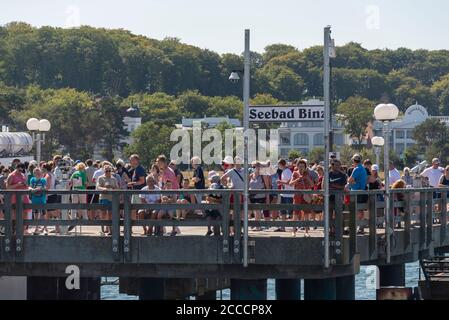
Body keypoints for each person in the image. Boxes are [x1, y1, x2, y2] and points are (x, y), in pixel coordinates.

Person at [289, 159, 314, 237]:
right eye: (299, 166)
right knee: (295, 213)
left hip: (306, 195)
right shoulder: (295, 173)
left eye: (303, 166)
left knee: (306, 214)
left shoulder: (308, 174)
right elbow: (290, 184)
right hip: (297, 196)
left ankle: (306, 231)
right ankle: (293, 231)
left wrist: (307, 178)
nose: (301, 168)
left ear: (305, 167)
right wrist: (298, 179)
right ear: (297, 166)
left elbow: (312, 185)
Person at [6, 163, 32, 235]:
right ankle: (14, 230)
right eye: (19, 170)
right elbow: (7, 187)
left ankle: (24, 230)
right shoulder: (11, 175)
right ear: (16, 168)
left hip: (24, 196)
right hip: (14, 196)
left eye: (22, 170)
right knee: (14, 214)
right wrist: (18, 184)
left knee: (25, 212)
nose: (20, 171)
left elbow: (26, 185)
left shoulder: (23, 175)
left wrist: (27, 186)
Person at [347, 154, 368, 235]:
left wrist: (351, 181)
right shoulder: (363, 169)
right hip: (362, 191)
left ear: (353, 160)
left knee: (355, 210)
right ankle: (360, 227)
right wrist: (353, 181)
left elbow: (350, 180)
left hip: (356, 192)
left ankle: (354, 227)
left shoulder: (356, 169)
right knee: (360, 210)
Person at [96, 165, 119, 236]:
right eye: (106, 171)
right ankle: (102, 230)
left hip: (112, 198)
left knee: (110, 214)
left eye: (109, 171)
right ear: (104, 171)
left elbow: (117, 188)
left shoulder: (114, 179)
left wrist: (112, 187)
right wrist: (104, 188)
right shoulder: (101, 178)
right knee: (103, 214)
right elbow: (97, 187)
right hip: (103, 197)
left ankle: (110, 230)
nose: (108, 172)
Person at [248, 161, 267, 232]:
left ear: (259, 167)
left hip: (260, 196)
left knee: (257, 211)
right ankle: (256, 224)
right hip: (251, 196)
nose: (253, 168)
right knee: (252, 211)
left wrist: (267, 197)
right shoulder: (250, 176)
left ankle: (257, 226)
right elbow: (247, 186)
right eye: (252, 166)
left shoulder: (263, 175)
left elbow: (267, 187)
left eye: (255, 166)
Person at [277, 159, 294, 232]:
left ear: (281, 164)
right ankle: (282, 227)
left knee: (291, 212)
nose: (278, 166)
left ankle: (294, 227)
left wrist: (280, 182)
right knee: (283, 211)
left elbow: (290, 182)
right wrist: (281, 183)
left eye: (278, 164)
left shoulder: (288, 171)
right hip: (284, 193)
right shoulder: (284, 171)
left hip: (289, 194)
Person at [29, 167, 47, 235]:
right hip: (34, 199)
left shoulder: (43, 180)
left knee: (43, 214)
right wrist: (31, 189)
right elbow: (30, 186)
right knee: (36, 214)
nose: (38, 174)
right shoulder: (32, 179)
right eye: (36, 173)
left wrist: (38, 189)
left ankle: (45, 228)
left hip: (42, 199)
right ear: (34, 173)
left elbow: (45, 187)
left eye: (39, 173)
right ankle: (36, 228)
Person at [205, 171, 224, 236]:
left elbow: (222, 200)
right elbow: (207, 198)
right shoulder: (210, 188)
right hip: (212, 207)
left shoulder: (221, 188)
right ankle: (209, 229)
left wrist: (213, 200)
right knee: (209, 214)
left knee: (218, 214)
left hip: (220, 207)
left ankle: (220, 230)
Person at [128, 154, 146, 221]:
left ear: (136, 161)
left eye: (131, 159)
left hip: (139, 192)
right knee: (132, 209)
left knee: (141, 210)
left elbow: (142, 181)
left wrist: (132, 184)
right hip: (135, 192)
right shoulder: (135, 169)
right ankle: (131, 226)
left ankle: (144, 227)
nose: (130, 161)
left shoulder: (140, 169)